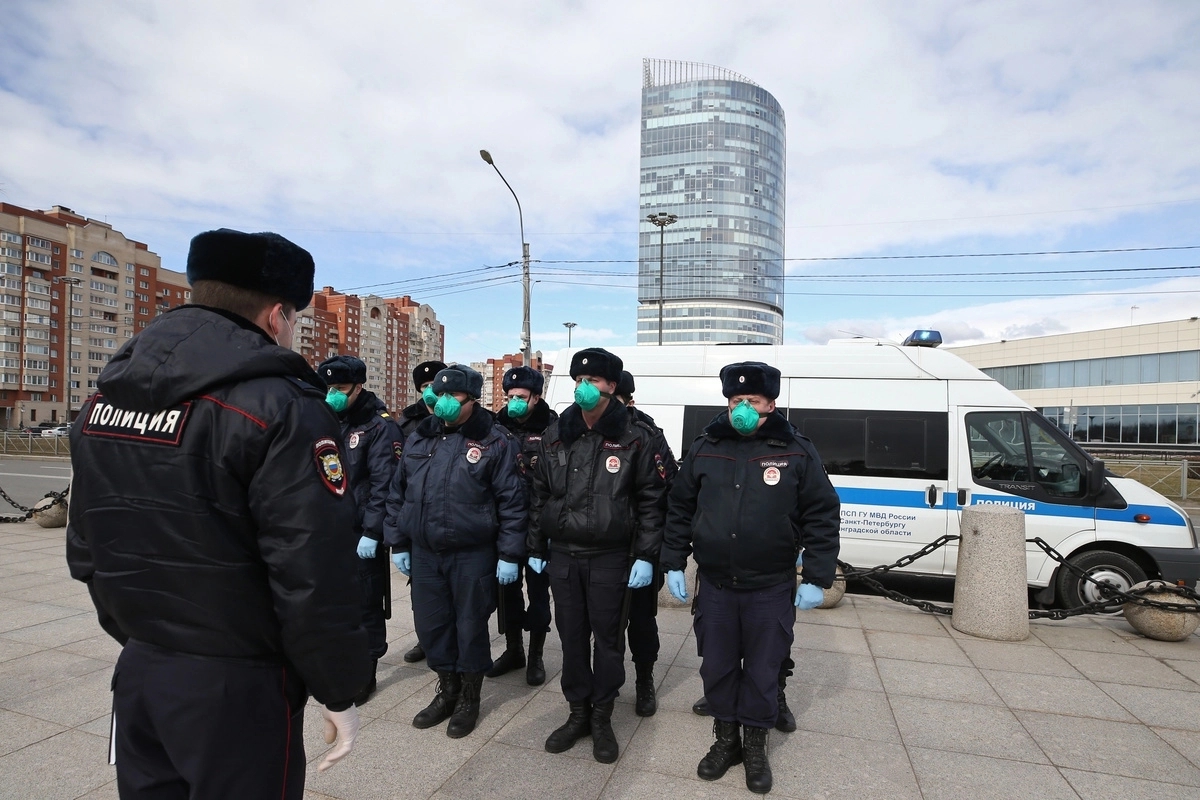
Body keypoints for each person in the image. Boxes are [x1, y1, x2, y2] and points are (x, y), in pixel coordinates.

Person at [65, 228, 370, 799]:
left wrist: (146, 638)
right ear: (277, 315)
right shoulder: (281, 405)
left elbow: (85, 544)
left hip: (140, 670)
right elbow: (311, 569)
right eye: (295, 319)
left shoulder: (104, 398)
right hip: (239, 684)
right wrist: (338, 688)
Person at [663, 361, 840, 795]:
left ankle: (756, 744)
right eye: (736, 400)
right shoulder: (706, 446)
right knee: (717, 666)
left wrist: (816, 575)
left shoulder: (795, 449)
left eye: (753, 401)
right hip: (717, 584)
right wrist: (673, 560)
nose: (742, 408)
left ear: (770, 405)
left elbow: (821, 513)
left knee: (763, 670)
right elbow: (681, 507)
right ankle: (726, 740)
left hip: (769, 585)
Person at [526, 348, 667, 764]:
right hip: (564, 554)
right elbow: (539, 494)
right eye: (578, 380)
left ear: (611, 386)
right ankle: (578, 713)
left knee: (607, 641)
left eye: (593, 381)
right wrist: (535, 545)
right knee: (571, 638)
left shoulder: (636, 436)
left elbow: (652, 500)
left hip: (611, 556)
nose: (583, 387)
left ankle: (602, 716)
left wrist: (646, 555)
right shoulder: (557, 433)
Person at [384, 363, 527, 738]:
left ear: (472, 399)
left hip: (471, 553)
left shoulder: (495, 441)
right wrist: (398, 541)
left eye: (453, 395)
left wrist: (510, 554)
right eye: (439, 393)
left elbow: (513, 503)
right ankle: (447, 690)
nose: (443, 401)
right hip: (425, 551)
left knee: (470, 627)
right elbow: (398, 493)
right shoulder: (420, 437)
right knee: (431, 626)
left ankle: (469, 697)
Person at [316, 354, 405, 705]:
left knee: (366, 602)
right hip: (328, 530)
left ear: (358, 387)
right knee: (333, 600)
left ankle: (367, 668)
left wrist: (372, 531)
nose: (332, 395)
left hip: (360, 532)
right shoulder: (324, 419)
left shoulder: (379, 426)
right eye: (328, 388)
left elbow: (385, 484)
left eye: (340, 388)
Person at [612, 370, 678, 717]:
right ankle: (606, 683)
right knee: (606, 624)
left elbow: (667, 494)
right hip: (603, 549)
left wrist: (653, 553)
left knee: (641, 622)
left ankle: (644, 680)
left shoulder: (650, 436)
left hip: (641, 547)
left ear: (629, 401)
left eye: (615, 400)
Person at [489, 365, 557, 686]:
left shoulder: (553, 428)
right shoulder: (495, 425)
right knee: (507, 591)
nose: (514, 401)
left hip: (538, 525)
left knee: (539, 593)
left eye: (521, 396)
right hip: (504, 526)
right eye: (510, 396)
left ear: (536, 397)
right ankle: (513, 649)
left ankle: (536, 656)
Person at [396, 358, 447, 664]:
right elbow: (398, 478)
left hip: (448, 516)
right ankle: (424, 639)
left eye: (434, 384)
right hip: (416, 518)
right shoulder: (407, 423)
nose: (430, 391)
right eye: (425, 386)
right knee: (421, 589)